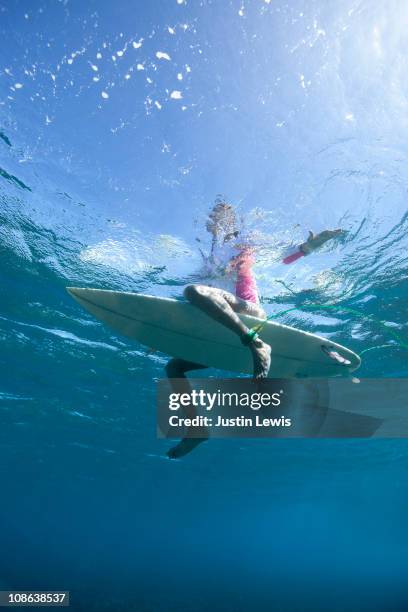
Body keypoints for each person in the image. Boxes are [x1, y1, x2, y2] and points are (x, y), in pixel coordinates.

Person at [165, 200, 343, 458]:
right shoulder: (209, 263)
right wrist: (162, 330)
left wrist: (317, 242)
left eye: (222, 217)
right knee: (174, 367)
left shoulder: (247, 248)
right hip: (221, 329)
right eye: (213, 220)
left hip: (250, 313)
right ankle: (196, 428)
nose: (215, 224)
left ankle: (255, 344)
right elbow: (200, 306)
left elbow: (292, 254)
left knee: (194, 291)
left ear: (233, 222)